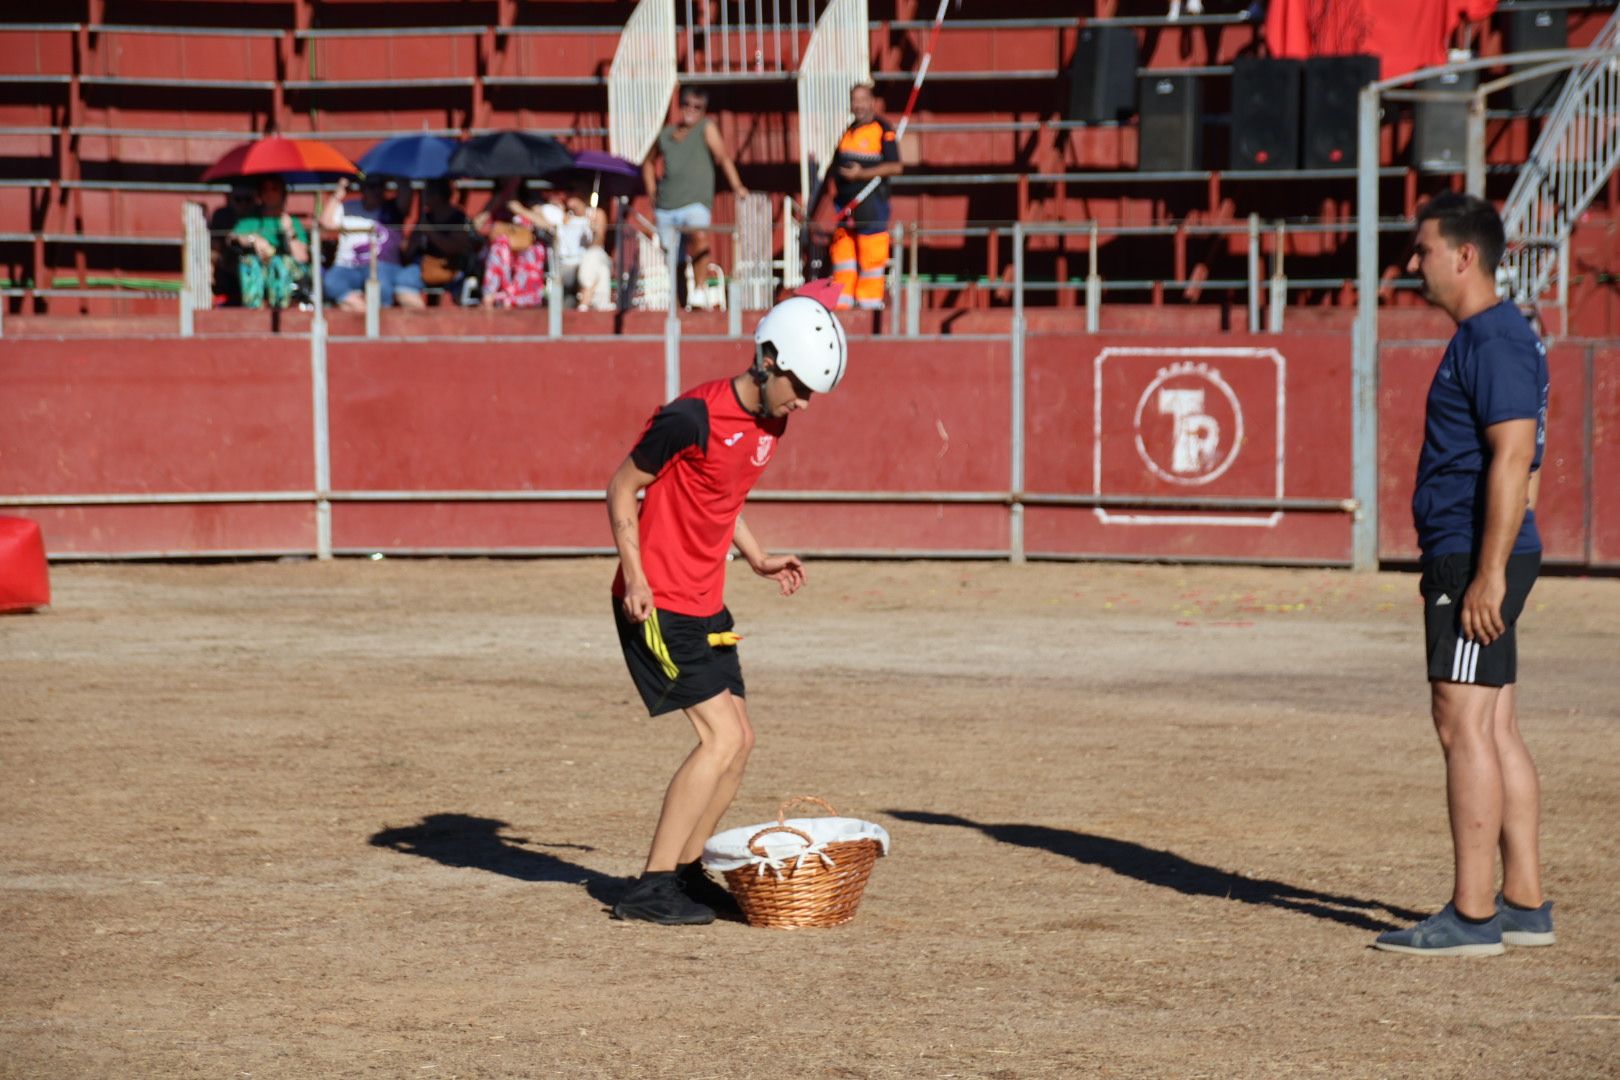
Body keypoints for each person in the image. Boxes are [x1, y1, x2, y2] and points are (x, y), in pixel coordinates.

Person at [605, 281, 848, 925]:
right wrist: (635, 578)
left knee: (743, 742)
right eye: (798, 386)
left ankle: (684, 877)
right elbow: (621, 487)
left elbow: (725, 495)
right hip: (658, 602)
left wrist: (758, 557)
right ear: (766, 358)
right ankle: (650, 888)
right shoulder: (692, 416)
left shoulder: (773, 424)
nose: (804, 402)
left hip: (707, 602)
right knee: (720, 738)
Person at [1373, 192, 1553, 957]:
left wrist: (1486, 574)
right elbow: (1523, 463)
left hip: (1473, 554)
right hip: (1483, 550)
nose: (1413, 263)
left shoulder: (1494, 340)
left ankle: (1473, 916)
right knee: (1496, 721)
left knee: (1463, 724)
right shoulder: (1496, 337)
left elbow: (1516, 458)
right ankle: (1524, 904)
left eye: (1422, 249)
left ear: (1464, 255)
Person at [641, 86, 749, 308]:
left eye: (697, 107)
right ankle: (681, 305)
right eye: (687, 105)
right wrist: (652, 191)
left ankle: (699, 290)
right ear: (680, 106)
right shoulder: (666, 134)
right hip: (666, 205)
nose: (691, 110)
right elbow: (648, 162)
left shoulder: (706, 128)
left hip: (696, 201)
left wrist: (737, 185)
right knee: (674, 258)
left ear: (703, 109)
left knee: (700, 237)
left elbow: (723, 157)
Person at [825, 83, 903, 312]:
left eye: (862, 100)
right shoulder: (848, 131)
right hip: (845, 211)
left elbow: (896, 167)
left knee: (871, 265)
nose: (858, 105)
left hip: (872, 210)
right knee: (843, 264)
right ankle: (841, 309)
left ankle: (868, 312)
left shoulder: (882, 129)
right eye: (854, 100)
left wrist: (862, 174)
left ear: (872, 102)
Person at [317, 175, 424, 312]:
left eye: (379, 186)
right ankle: (366, 314)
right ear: (362, 188)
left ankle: (376, 321)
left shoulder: (392, 208)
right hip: (348, 267)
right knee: (331, 282)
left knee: (382, 286)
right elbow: (326, 224)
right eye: (369, 186)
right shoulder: (348, 207)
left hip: (382, 266)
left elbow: (405, 196)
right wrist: (339, 192)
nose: (374, 191)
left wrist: (396, 172)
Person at [228, 175, 311, 310]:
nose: (269, 193)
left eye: (274, 189)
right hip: (258, 268)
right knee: (249, 262)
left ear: (282, 194)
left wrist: (289, 232)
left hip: (285, 271)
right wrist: (253, 239)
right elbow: (232, 238)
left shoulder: (292, 222)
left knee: (280, 263)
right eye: (265, 190)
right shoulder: (251, 220)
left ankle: (280, 308)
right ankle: (254, 309)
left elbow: (302, 257)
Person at [474, 176, 547, 309]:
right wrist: (496, 203)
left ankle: (513, 295)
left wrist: (519, 209)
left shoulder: (530, 201)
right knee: (499, 246)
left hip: (525, 251)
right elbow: (477, 225)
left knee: (530, 251)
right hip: (501, 256)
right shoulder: (496, 200)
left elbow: (546, 225)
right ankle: (491, 296)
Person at [537, 186, 614, 311]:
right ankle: (591, 303)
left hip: (588, 261)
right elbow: (537, 212)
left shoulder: (595, 214)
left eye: (573, 192)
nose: (568, 196)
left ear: (582, 195)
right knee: (602, 271)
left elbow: (598, 242)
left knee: (593, 257)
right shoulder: (563, 216)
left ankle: (585, 302)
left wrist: (595, 232)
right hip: (567, 265)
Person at [405, 178, 478, 305]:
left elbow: (453, 247)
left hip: (454, 268)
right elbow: (409, 251)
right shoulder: (426, 218)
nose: (425, 196)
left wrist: (429, 231)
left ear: (438, 195)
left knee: (466, 290)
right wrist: (415, 238)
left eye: (428, 192)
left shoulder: (458, 218)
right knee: (403, 282)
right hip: (426, 267)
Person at [208, 180, 257, 307]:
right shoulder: (222, 216)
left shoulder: (260, 216)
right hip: (228, 270)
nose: (243, 203)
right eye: (238, 199)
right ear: (229, 198)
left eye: (248, 199)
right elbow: (215, 246)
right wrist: (211, 265)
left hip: (255, 270)